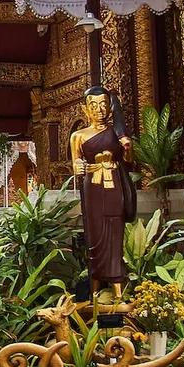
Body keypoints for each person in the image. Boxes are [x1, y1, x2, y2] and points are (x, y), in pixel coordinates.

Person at [69, 87, 136, 306]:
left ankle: (117, 291)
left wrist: (127, 148)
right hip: (93, 189)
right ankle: (95, 289)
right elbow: (76, 164)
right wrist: (79, 166)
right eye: (94, 105)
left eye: (104, 104)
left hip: (114, 184)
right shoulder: (78, 136)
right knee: (94, 234)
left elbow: (129, 161)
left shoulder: (116, 132)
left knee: (114, 233)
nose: (99, 110)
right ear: (85, 109)